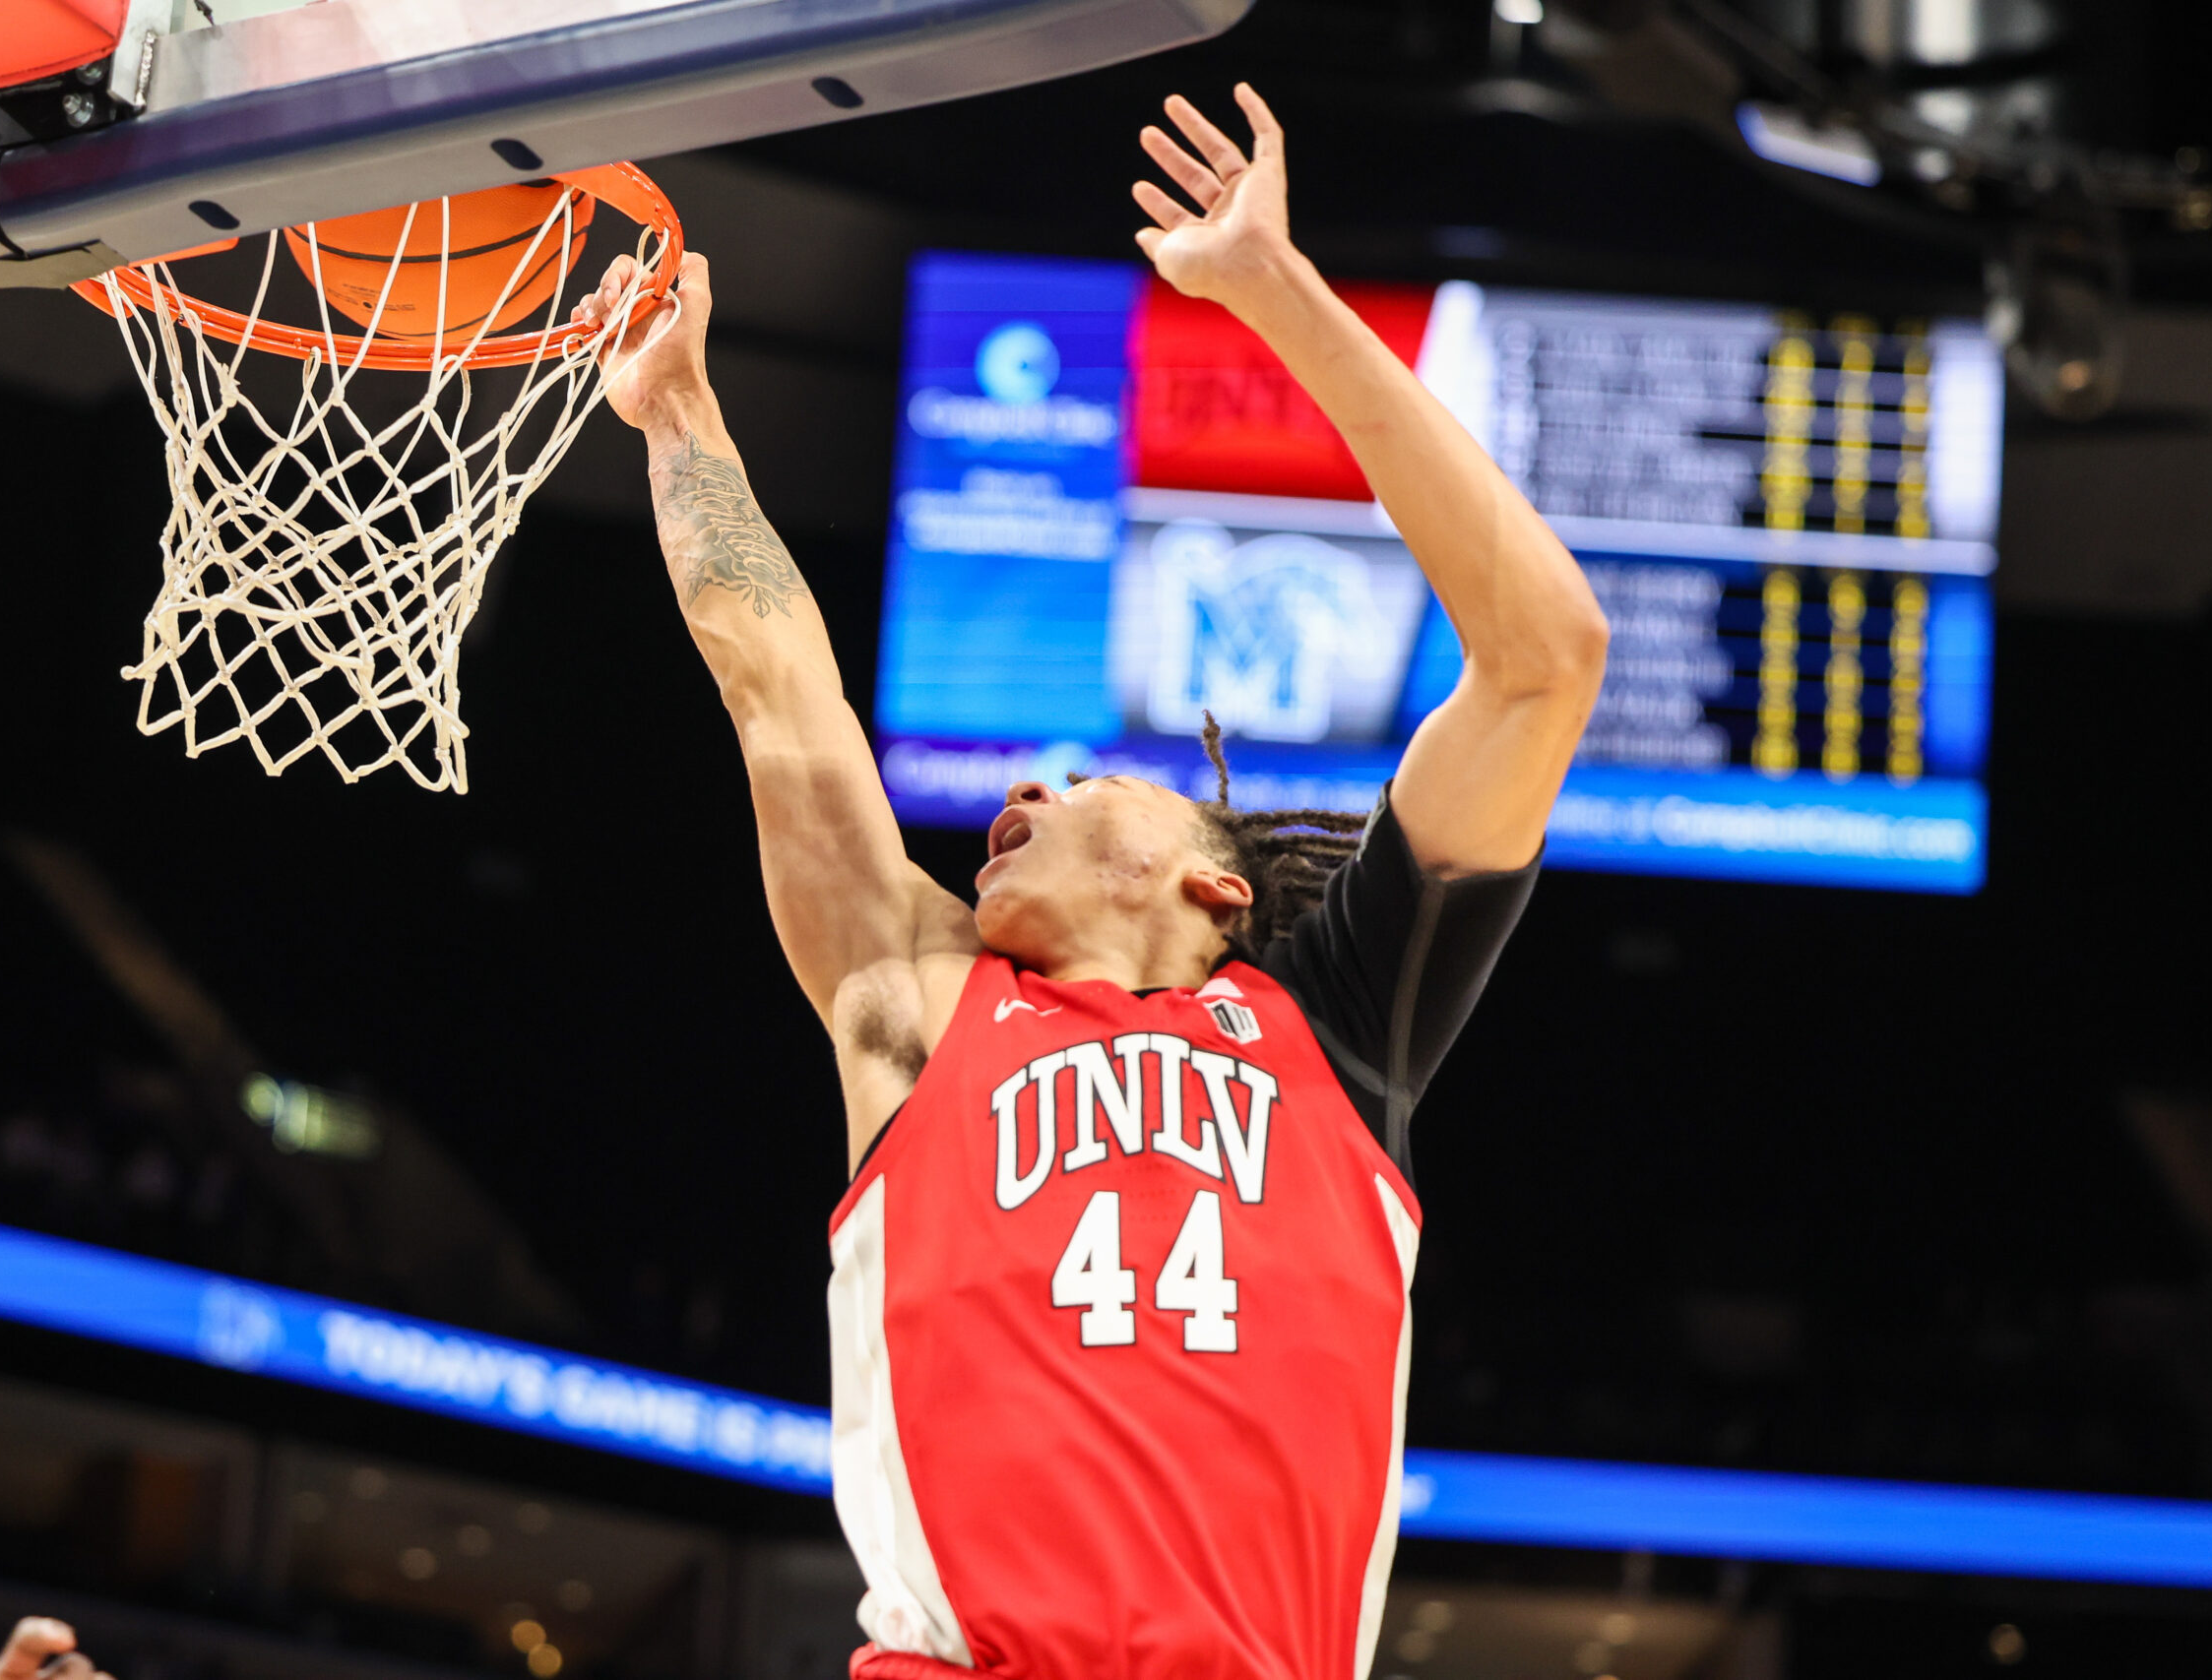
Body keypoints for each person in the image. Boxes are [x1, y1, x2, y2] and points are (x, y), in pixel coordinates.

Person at [570, 84, 1607, 1680]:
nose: (1024, 793)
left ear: (1217, 892)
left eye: (1086, 781)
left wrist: (1280, 294)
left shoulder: (1333, 1027)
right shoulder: (919, 1007)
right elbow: (781, 700)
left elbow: (1545, 660)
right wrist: (681, 425)